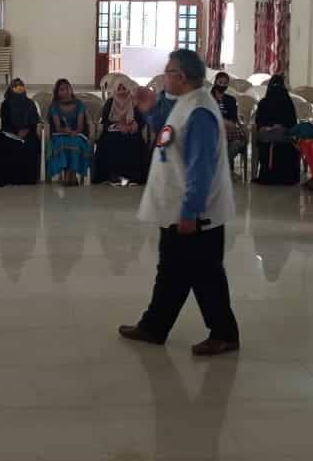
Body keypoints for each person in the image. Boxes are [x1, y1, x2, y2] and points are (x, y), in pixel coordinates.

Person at [118, 49, 240, 356]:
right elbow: (170, 133)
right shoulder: (185, 103)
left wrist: (190, 211)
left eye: (168, 72)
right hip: (176, 208)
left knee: (206, 275)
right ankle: (154, 326)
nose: (165, 76)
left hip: (196, 215)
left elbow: (201, 167)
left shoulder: (199, 111)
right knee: (172, 270)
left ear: (181, 76)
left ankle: (224, 334)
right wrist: (150, 109)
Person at [93, 80, 150, 185]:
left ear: (128, 89)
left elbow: (141, 119)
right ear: (115, 90)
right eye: (119, 88)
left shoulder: (133, 101)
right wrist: (117, 125)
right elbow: (105, 120)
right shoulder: (110, 102)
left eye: (124, 88)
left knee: (134, 141)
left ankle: (133, 177)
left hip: (131, 130)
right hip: (113, 130)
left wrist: (134, 124)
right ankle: (112, 176)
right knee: (110, 140)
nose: (121, 91)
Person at [0, 78, 41, 186]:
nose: (18, 87)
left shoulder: (30, 103)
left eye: (20, 85)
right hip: (9, 132)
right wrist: (16, 132)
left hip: (28, 132)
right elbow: (5, 123)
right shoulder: (5, 104)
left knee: (31, 143)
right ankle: (7, 178)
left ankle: (26, 179)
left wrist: (26, 130)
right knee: (4, 142)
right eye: (15, 85)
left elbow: (34, 121)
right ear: (11, 88)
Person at [253, 74, 299, 185]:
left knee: (280, 135)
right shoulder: (263, 102)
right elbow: (259, 120)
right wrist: (267, 127)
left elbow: (292, 122)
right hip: (266, 131)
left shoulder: (287, 103)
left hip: (283, 131)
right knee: (268, 136)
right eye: (274, 85)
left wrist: (280, 126)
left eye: (278, 85)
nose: (276, 88)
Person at [46, 78, 93, 185]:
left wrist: (74, 132)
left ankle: (72, 174)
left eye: (67, 88)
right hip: (60, 134)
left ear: (71, 89)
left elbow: (80, 126)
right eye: (62, 89)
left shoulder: (79, 104)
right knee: (62, 142)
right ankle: (67, 175)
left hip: (77, 134)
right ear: (57, 93)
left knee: (76, 141)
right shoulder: (54, 106)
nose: (66, 91)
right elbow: (57, 127)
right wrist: (65, 130)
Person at [209, 72, 248, 173]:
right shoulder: (208, 98)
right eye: (220, 82)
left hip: (228, 130)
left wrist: (226, 122)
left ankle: (220, 168)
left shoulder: (230, 99)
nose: (222, 85)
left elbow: (233, 120)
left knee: (237, 143)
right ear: (215, 82)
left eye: (225, 83)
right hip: (212, 129)